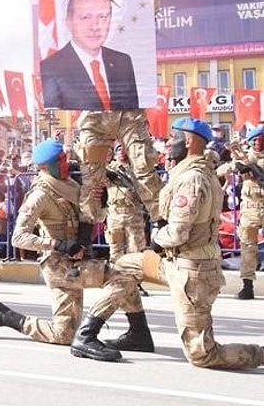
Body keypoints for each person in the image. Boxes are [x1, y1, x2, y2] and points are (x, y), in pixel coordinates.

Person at [73, 118, 264, 369]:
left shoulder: (192, 179)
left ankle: (259, 354)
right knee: (125, 266)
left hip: (191, 270)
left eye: (173, 138)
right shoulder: (188, 172)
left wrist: (155, 242)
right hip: (175, 262)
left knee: (202, 354)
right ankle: (111, 333)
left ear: (188, 141)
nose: (167, 144)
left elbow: (177, 233)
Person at [0, 140, 134, 362]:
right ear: (45, 167)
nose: (66, 163)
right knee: (124, 279)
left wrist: (102, 203)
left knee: (63, 334)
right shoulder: (40, 194)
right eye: (60, 161)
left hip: (76, 261)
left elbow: (93, 218)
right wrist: (57, 244)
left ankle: (4, 316)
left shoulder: (72, 184)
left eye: (65, 158)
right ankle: (91, 335)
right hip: (59, 265)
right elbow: (18, 237)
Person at [56, 0, 164, 246]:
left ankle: (166, 228)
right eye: (87, 17)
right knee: (91, 180)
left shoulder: (126, 39)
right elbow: (53, 11)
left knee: (144, 170)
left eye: (102, 16)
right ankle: (83, 244)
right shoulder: (71, 52)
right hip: (94, 117)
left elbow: (149, 0)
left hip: (127, 110)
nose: (95, 23)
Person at [39, 0, 139, 111]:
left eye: (102, 17)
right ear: (69, 22)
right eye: (85, 17)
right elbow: (54, 122)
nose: (95, 26)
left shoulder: (123, 62)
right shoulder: (51, 68)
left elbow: (133, 116)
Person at [215, 125, 264, 299]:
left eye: (261, 139)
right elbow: (223, 170)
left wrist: (249, 166)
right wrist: (229, 164)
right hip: (249, 209)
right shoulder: (245, 157)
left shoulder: (251, 159)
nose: (258, 143)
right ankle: (247, 284)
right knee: (247, 249)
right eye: (255, 140)